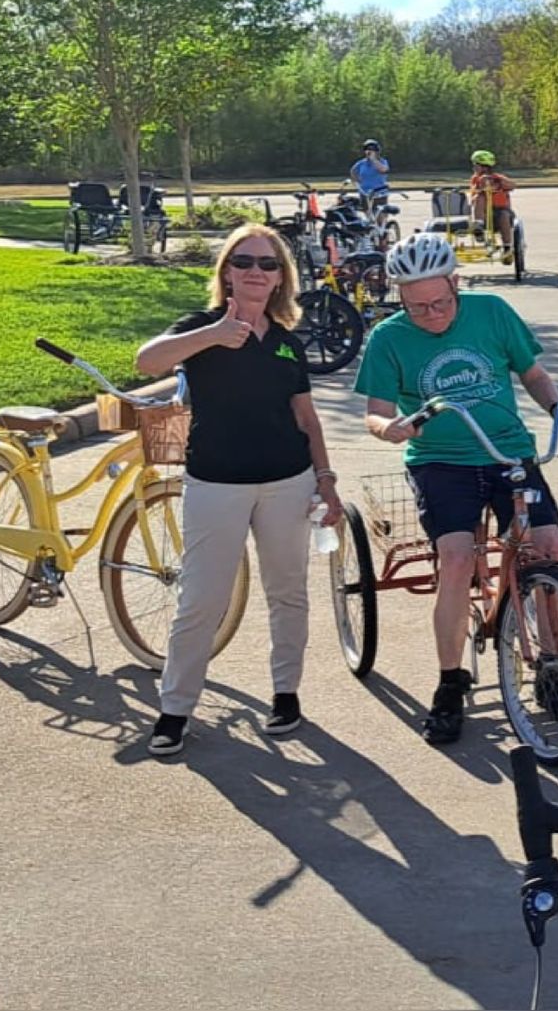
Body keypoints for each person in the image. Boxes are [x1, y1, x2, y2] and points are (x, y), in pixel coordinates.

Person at [354, 233, 558, 745]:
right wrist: (389, 428)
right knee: (456, 558)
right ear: (400, 297)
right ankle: (449, 680)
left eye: (440, 302)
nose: (431, 314)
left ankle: (552, 662)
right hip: (442, 461)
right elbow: (375, 410)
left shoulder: (493, 313)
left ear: (457, 284)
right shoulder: (389, 337)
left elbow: (532, 372)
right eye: (417, 306)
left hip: (507, 452)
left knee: (548, 549)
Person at [137, 224, 343, 756]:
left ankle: (286, 694)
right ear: (227, 271)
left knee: (287, 592)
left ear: (281, 279)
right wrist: (211, 336)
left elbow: (307, 418)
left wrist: (326, 481)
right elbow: (147, 361)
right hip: (215, 484)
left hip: (287, 483)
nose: (256, 272)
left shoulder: (287, 343)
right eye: (245, 262)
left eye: (268, 265)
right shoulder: (201, 329)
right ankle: (175, 709)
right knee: (201, 600)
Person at [468, 149, 517, 253]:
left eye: (476, 165)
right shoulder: (476, 178)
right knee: (479, 197)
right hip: (483, 212)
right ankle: (479, 226)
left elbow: (513, 185)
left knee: (504, 215)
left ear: (485, 167)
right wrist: (482, 185)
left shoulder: (498, 177)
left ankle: (507, 247)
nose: (473, 168)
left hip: (500, 210)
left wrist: (499, 182)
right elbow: (476, 189)